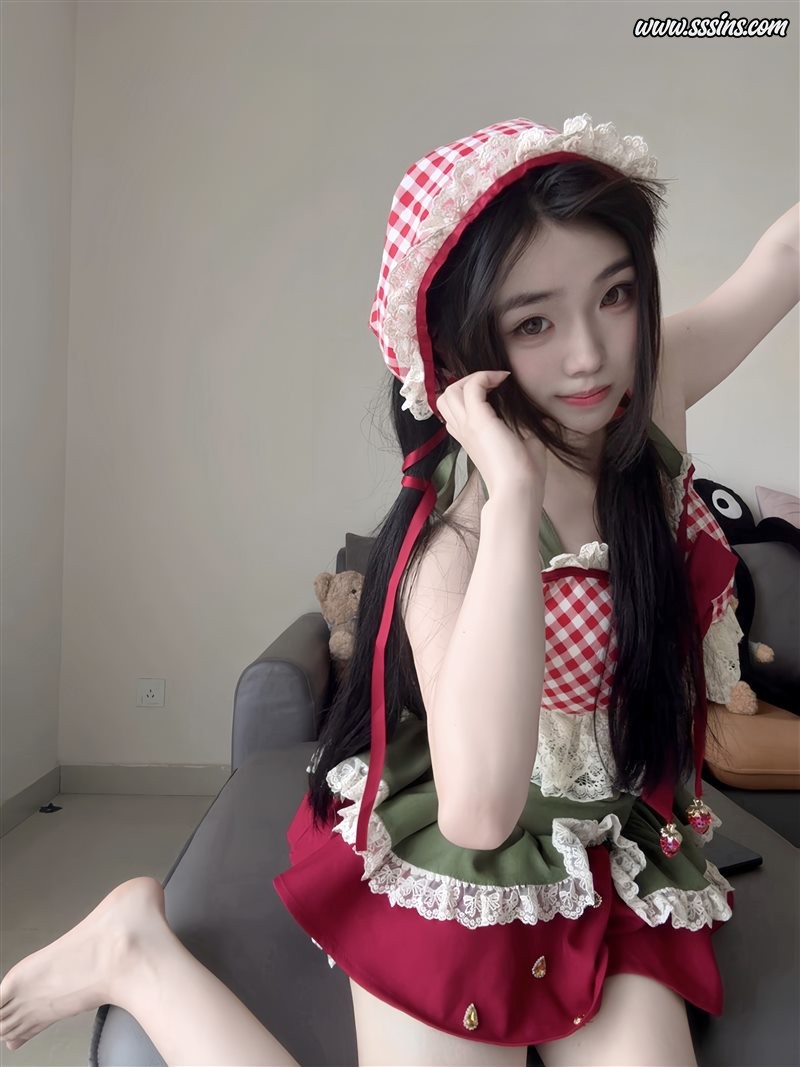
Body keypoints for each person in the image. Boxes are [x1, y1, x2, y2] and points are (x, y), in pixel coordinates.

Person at [0, 115, 796, 1067]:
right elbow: (480, 811)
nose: (590, 354)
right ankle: (134, 955)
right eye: (534, 322)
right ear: (465, 351)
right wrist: (512, 496)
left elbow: (783, 256)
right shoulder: (450, 539)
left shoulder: (649, 399)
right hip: (467, 851)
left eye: (615, 295)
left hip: (608, 842)